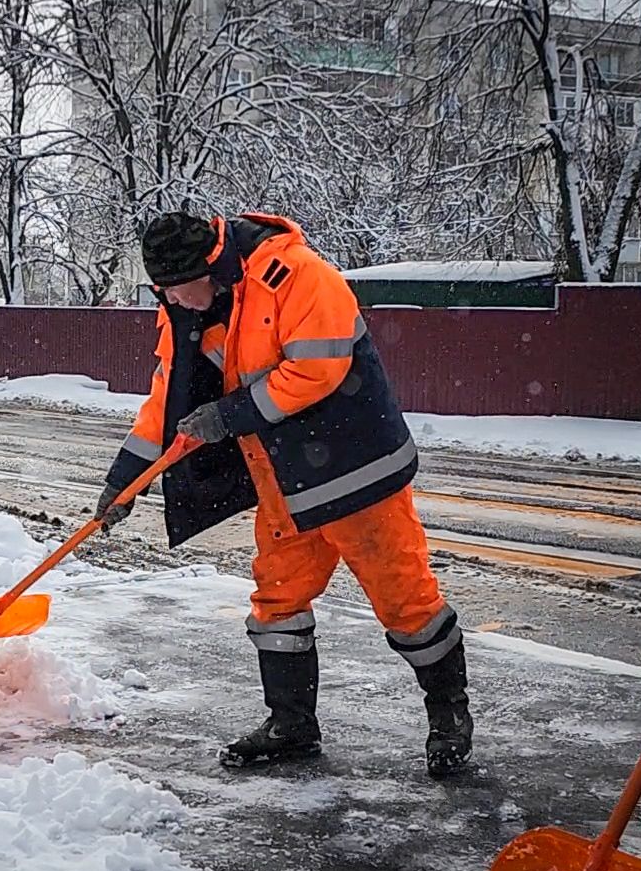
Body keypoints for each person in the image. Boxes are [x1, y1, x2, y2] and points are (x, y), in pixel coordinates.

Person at [95, 211, 473, 777]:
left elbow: (318, 369)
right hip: (283, 480)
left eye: (177, 288)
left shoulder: (296, 275)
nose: (173, 300)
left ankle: (449, 718)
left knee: (406, 602)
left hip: (355, 472)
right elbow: (166, 404)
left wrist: (231, 414)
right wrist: (124, 480)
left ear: (209, 267)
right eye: (163, 291)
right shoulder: (187, 308)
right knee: (277, 602)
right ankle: (291, 724)